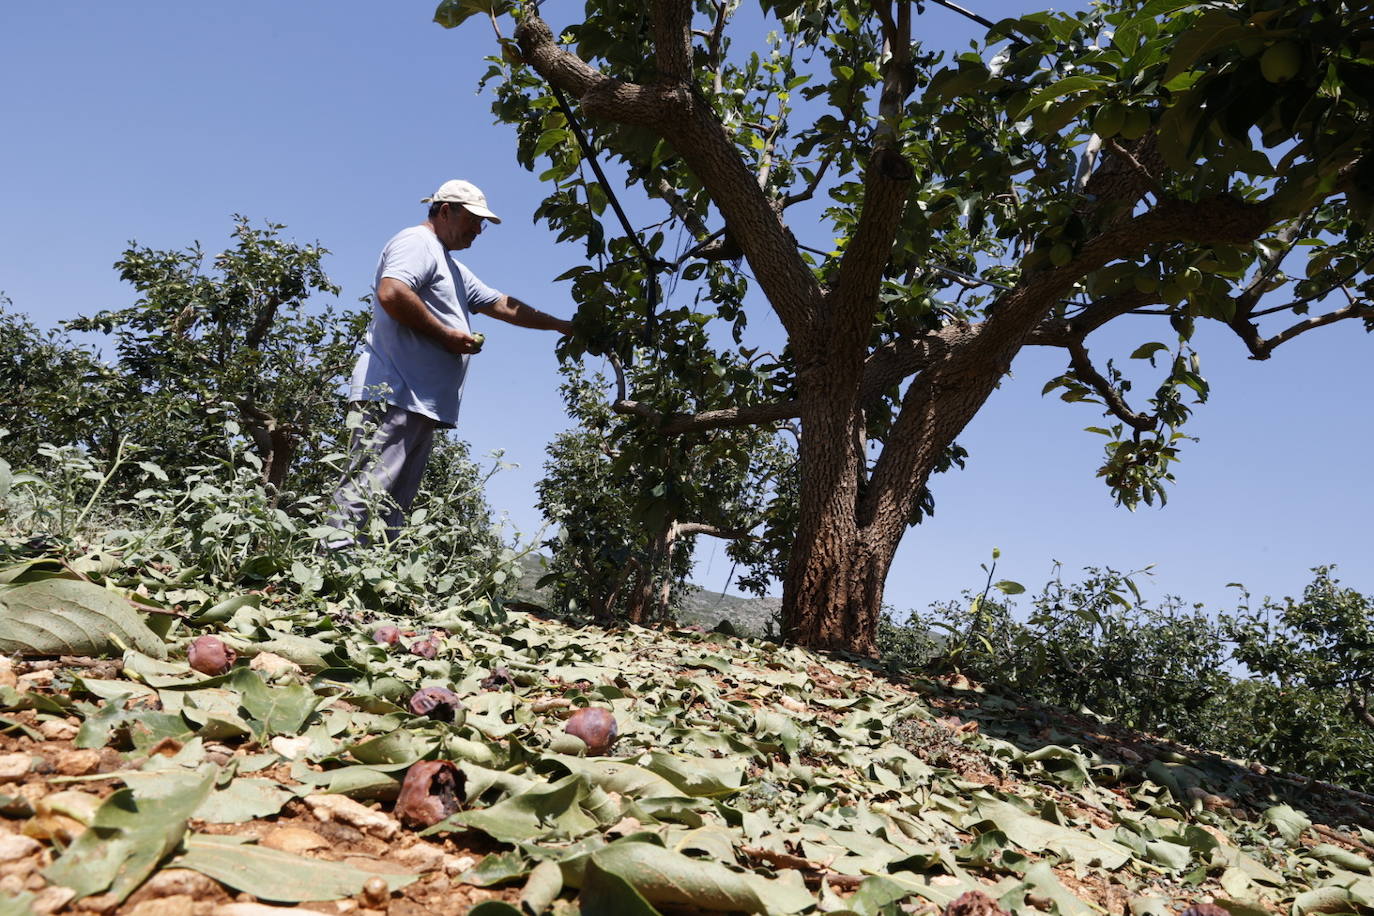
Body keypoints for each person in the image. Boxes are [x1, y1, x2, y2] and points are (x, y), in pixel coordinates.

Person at [329, 179, 574, 547]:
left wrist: (562, 325)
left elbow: (503, 304)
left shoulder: (451, 267)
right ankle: (326, 575)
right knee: (365, 494)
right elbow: (392, 292)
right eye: (474, 219)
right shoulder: (418, 243)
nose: (479, 229)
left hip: (416, 402)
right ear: (446, 211)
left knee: (391, 508)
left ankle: (364, 585)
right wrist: (446, 335)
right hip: (394, 392)